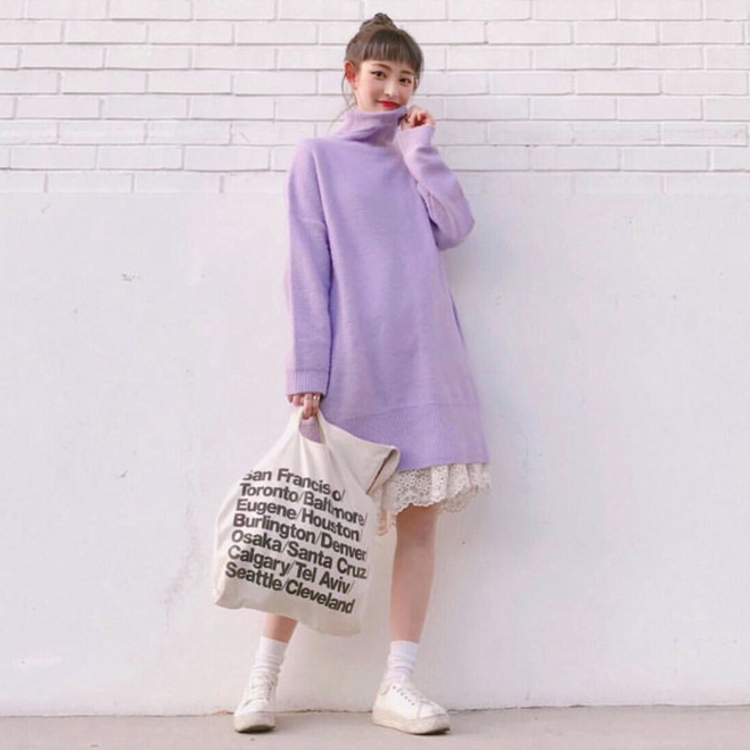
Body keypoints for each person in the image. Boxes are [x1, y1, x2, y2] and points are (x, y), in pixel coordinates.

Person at [233, 13, 490, 736]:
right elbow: (305, 267)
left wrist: (420, 150)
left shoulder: (412, 156)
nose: (392, 88)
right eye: (380, 74)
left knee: (419, 528)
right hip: (353, 364)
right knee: (307, 522)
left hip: (428, 360)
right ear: (351, 76)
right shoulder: (316, 158)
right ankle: (261, 681)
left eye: (406, 78)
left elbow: (455, 229)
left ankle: (398, 684)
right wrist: (307, 367)